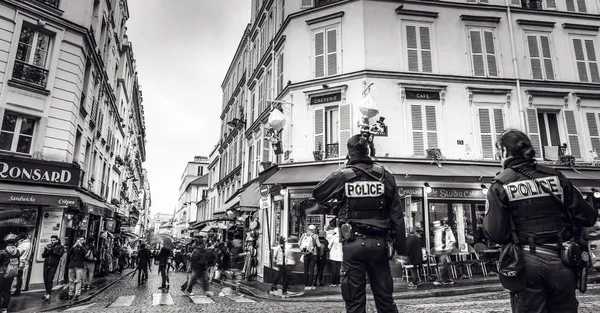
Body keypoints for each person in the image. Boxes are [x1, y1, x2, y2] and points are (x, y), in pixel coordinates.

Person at [483, 129, 598, 313]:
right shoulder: (555, 176)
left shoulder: (500, 184)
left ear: (504, 152)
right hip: (562, 260)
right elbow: (588, 216)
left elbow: (496, 233)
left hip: (527, 263)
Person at [313, 134, 406, 313]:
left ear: (349, 154)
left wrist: (336, 205)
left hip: (353, 245)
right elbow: (397, 214)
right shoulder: (385, 175)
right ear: (368, 151)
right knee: (385, 300)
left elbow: (318, 194)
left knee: (354, 301)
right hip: (379, 245)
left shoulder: (343, 175)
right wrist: (400, 247)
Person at [0, 234, 20, 313]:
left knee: (0, 291)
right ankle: (5, 308)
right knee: (7, 290)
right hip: (11, 273)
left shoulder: (3, 252)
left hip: (2, 273)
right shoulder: (17, 252)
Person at [41, 235, 65, 301]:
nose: (52, 242)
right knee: (45, 279)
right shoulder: (48, 246)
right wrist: (46, 249)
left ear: (57, 240)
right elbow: (43, 256)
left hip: (53, 265)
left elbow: (59, 255)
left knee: (50, 279)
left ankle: (48, 294)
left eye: (53, 240)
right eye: (51, 240)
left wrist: (52, 249)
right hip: (46, 264)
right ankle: (47, 292)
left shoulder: (60, 247)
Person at [433, 220, 456, 286]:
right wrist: (437, 248)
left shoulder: (447, 231)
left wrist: (448, 246)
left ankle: (443, 279)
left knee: (442, 264)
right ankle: (448, 279)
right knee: (444, 264)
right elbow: (437, 241)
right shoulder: (437, 231)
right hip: (440, 249)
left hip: (445, 249)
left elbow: (452, 240)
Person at [299, 225, 321, 290]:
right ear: (313, 230)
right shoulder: (315, 236)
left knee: (306, 270)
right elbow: (319, 245)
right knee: (311, 270)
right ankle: (310, 285)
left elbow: (299, 243)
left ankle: (305, 285)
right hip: (313, 254)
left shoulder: (304, 235)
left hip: (305, 253)